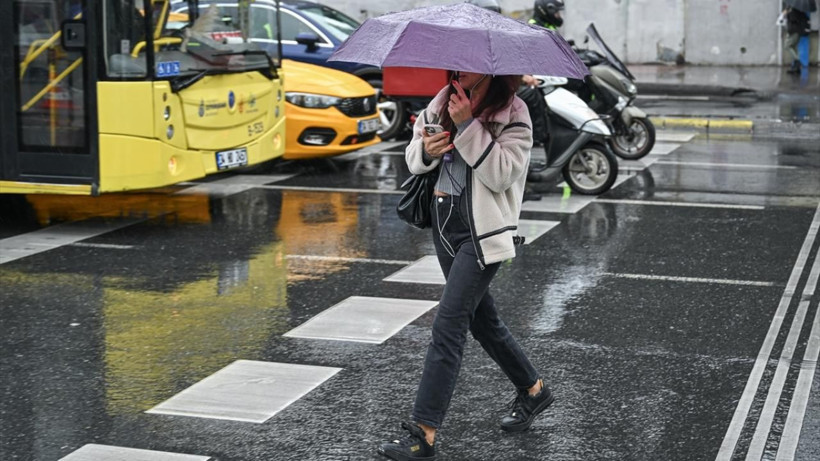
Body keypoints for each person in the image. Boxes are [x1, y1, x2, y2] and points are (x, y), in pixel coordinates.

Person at [378, 71, 554, 461]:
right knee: (482, 321)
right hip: (443, 223)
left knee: (449, 324)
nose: (457, 69)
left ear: (491, 67)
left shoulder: (513, 110)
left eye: (466, 63)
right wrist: (427, 150)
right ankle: (534, 391)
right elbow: (413, 158)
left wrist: (468, 126)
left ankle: (424, 432)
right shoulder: (442, 99)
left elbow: (503, 174)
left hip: (483, 231)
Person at [783, 6, 810, 74]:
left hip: (795, 32)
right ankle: (796, 68)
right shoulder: (798, 10)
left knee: (787, 46)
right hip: (796, 32)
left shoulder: (795, 11)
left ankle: (797, 61)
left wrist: (787, 13)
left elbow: (793, 19)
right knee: (793, 47)